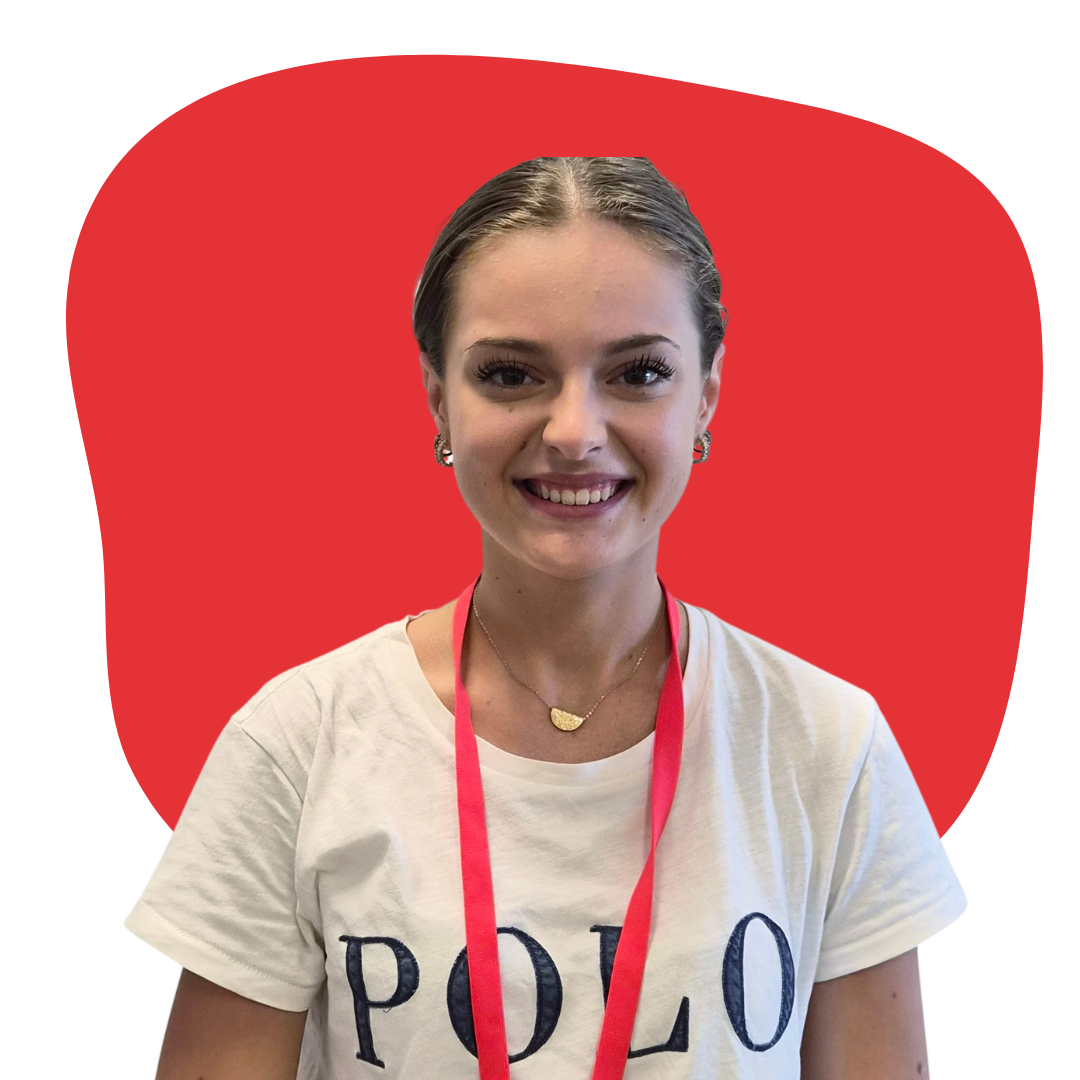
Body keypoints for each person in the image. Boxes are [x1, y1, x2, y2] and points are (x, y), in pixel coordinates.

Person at [126, 156, 966, 1080]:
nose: (574, 429)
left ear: (708, 396)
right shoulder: (297, 744)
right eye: (511, 373)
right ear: (439, 398)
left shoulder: (827, 747)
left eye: (639, 371)